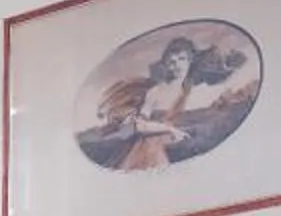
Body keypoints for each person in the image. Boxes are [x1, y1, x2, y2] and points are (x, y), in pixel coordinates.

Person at [93, 36, 246, 172]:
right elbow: (139, 125)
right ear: (166, 65)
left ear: (190, 60)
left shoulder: (189, 89)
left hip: (172, 141)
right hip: (148, 145)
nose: (177, 65)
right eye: (171, 62)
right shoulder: (156, 91)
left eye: (181, 59)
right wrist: (170, 130)